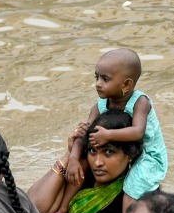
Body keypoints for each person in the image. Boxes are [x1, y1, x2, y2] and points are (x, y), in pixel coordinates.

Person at [28, 111, 143, 213]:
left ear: (130, 154)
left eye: (108, 152)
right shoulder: (80, 175)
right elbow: (34, 208)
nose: (97, 162)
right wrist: (70, 155)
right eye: (92, 151)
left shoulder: (136, 193)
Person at [63, 48, 167, 203]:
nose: (98, 84)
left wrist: (108, 135)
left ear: (126, 84)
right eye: (97, 77)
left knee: (133, 185)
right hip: (121, 150)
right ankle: (63, 211)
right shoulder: (100, 105)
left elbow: (138, 131)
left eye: (105, 79)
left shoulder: (140, 102)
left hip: (148, 154)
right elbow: (85, 133)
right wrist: (73, 158)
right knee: (80, 162)